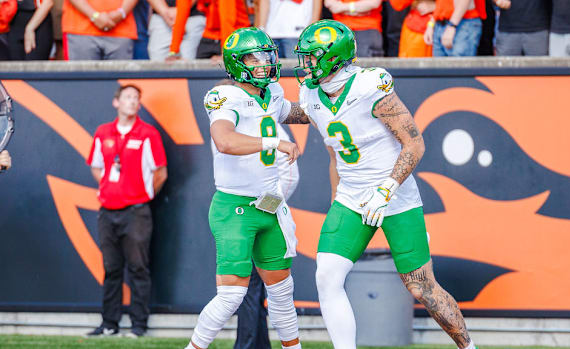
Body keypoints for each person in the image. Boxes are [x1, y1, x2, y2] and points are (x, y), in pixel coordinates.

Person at [292, 19, 476, 349]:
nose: (306, 64)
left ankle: (469, 347)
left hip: (395, 194)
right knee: (327, 275)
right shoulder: (311, 94)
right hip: (351, 197)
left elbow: (415, 143)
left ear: (334, 57)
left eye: (313, 56)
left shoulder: (368, 85)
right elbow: (320, 139)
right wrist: (246, 99)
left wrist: (386, 189)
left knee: (421, 286)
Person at [184, 27, 304, 349]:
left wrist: (325, 99)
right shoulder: (225, 95)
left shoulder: (272, 92)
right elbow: (224, 140)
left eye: (266, 56)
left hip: (268, 206)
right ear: (237, 63)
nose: (264, 63)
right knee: (231, 296)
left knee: (282, 293)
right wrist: (273, 142)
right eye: (255, 57)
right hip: (235, 208)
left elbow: (297, 112)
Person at [86, 84, 168, 338]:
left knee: (138, 268)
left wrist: (142, 195)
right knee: (111, 269)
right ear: (116, 102)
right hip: (107, 210)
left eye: (136, 98)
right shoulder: (103, 132)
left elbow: (161, 173)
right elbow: (97, 166)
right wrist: (109, 188)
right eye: (128, 97)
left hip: (136, 211)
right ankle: (109, 323)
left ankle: (138, 325)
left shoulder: (147, 133)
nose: (133, 102)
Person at [169, 0, 249, 60]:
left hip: (237, 35)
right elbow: (181, 15)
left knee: (226, 67)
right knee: (198, 70)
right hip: (210, 35)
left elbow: (227, 20)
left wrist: (225, 53)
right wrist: (174, 52)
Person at [62, 0, 139, 60]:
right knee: (82, 78)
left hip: (121, 30)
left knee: (120, 78)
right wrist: (94, 16)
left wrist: (121, 13)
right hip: (80, 29)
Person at [255, 0, 322, 58]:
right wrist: (261, 29)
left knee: (298, 69)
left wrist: (311, 29)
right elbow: (264, 2)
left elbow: (317, 2)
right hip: (271, 33)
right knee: (270, 70)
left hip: (298, 34)